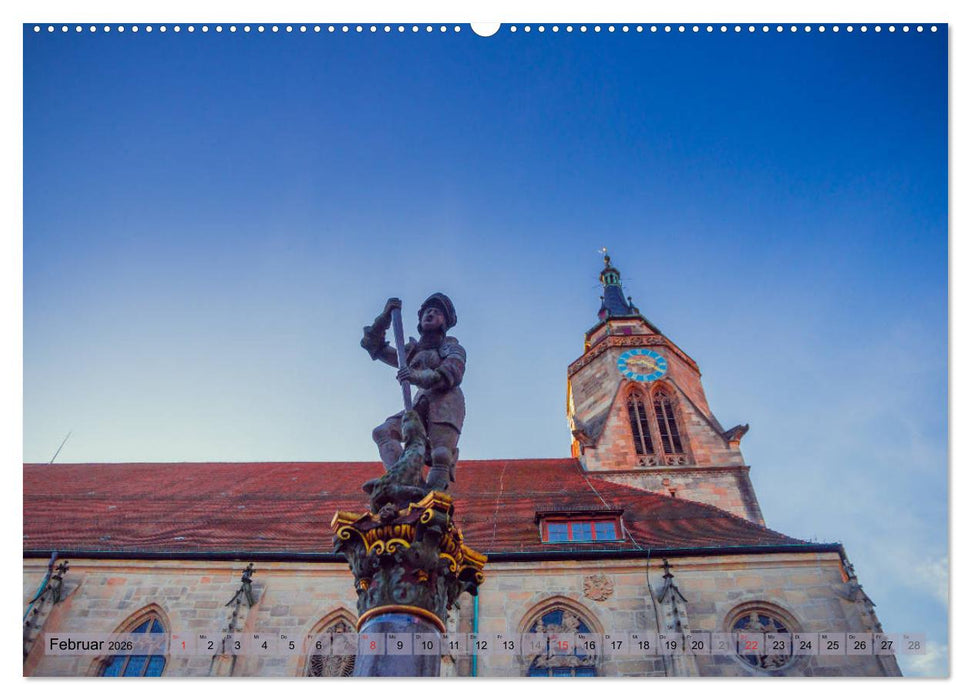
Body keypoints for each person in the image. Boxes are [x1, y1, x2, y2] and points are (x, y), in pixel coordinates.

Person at [361, 293, 465, 492]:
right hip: (419, 401)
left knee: (441, 454)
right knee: (383, 432)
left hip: (446, 401)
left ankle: (434, 500)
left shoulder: (452, 347)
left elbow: (452, 372)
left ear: (445, 321)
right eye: (427, 311)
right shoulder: (411, 351)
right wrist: (384, 318)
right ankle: (404, 482)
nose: (430, 313)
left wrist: (415, 376)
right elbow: (373, 346)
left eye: (437, 312)